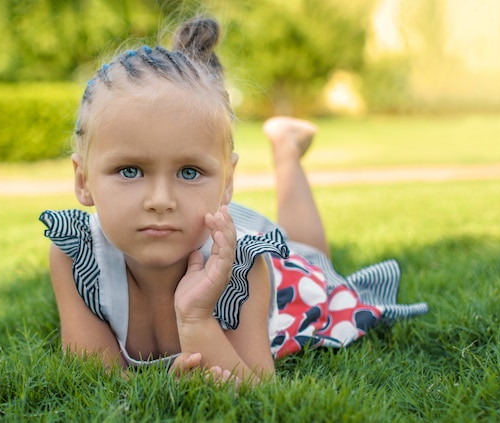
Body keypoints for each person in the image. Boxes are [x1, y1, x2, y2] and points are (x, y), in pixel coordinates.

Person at [39, 16, 428, 385]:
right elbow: (97, 376)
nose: (160, 200)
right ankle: (284, 149)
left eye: (189, 172)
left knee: (312, 260)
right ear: (83, 180)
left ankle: (286, 149)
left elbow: (255, 386)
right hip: (208, 229)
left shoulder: (246, 268)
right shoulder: (76, 258)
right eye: (129, 171)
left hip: (279, 283)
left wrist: (196, 319)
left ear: (227, 182)